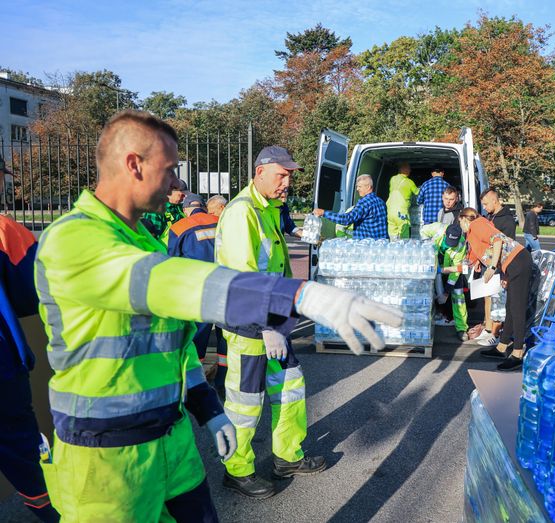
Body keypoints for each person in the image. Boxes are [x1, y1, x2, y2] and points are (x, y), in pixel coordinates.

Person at [34, 110, 402, 520]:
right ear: (133, 164)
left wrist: (207, 408)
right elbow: (174, 283)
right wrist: (299, 294)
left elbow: (173, 344)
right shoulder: (73, 237)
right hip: (105, 458)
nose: (177, 184)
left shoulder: (142, 238)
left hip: (171, 441)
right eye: (170, 170)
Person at [216, 145, 328, 496]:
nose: (287, 183)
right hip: (249, 324)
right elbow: (244, 277)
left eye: (290, 176)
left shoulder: (269, 208)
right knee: (245, 401)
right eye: (282, 175)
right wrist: (266, 327)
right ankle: (237, 470)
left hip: (273, 321)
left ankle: (287, 456)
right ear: (260, 172)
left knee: (291, 387)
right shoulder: (241, 213)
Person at [0, 215, 59, 522]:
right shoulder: (4, 229)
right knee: (21, 443)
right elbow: (33, 288)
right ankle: (53, 513)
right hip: (2, 368)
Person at [459, 207, 532, 372]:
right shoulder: (471, 234)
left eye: (460, 223)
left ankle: (518, 353)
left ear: (464, 219)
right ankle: (501, 347)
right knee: (510, 307)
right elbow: (470, 260)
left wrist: (492, 268)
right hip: (511, 265)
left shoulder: (477, 224)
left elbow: (497, 240)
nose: (461, 227)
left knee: (517, 309)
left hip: (519, 261)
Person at [167, 193, 227, 393]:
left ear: (186, 209)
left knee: (199, 334)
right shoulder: (221, 222)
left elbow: (171, 261)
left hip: (198, 289)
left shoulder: (179, 227)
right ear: (203, 206)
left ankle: (196, 382)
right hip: (225, 285)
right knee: (223, 335)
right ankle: (223, 380)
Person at [474, 188, 517, 346]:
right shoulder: (489, 216)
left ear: (494, 200)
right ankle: (487, 329)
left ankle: (496, 334)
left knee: (498, 300)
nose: (484, 207)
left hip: (498, 265)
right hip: (487, 262)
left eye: (485, 203)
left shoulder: (506, 220)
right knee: (487, 296)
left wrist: (503, 271)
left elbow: (507, 247)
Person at [421, 222, 468, 341]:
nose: (450, 245)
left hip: (448, 268)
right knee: (427, 291)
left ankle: (461, 328)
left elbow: (456, 271)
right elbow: (423, 230)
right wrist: (428, 248)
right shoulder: (437, 228)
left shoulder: (461, 244)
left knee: (458, 295)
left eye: (453, 243)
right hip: (433, 262)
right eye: (448, 242)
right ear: (445, 233)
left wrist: (446, 292)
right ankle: (428, 320)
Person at [314, 175, 388, 240]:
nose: (357, 189)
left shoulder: (364, 203)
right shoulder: (381, 202)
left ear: (368, 187)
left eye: (359, 186)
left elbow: (347, 219)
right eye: (357, 186)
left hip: (367, 247)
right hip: (381, 246)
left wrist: (324, 213)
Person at [386, 162, 419, 239]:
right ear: (406, 170)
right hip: (401, 213)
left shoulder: (392, 179)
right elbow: (418, 193)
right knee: (404, 235)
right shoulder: (410, 182)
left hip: (390, 211)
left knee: (392, 234)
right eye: (409, 169)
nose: (410, 171)